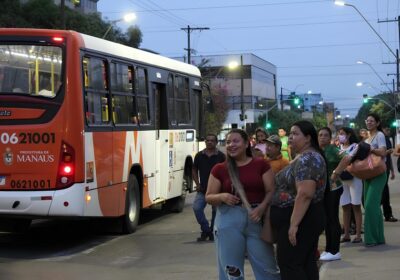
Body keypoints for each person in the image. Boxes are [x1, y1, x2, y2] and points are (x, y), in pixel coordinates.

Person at [206, 128, 280, 280]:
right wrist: (222, 196)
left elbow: (271, 190)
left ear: (246, 144)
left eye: (235, 141)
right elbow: (209, 197)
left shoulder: (261, 164)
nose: (231, 145)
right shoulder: (219, 169)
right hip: (228, 220)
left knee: (269, 270)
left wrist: (261, 207)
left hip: (256, 219)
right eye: (227, 142)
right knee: (232, 272)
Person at [270, 120, 326, 280]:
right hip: (302, 218)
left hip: (302, 219)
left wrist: (293, 225)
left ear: (308, 138)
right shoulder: (304, 157)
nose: (290, 137)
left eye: (295, 134)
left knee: (290, 264)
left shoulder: (308, 159)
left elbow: (305, 194)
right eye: (290, 134)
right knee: (305, 263)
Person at [333, 114, 387, 247]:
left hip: (378, 173)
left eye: (372, 121)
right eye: (367, 120)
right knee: (373, 208)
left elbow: (383, 152)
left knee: (369, 206)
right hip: (367, 175)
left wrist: (370, 148)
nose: (369, 122)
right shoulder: (367, 138)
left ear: (377, 122)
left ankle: (371, 238)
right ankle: (379, 237)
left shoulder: (379, 135)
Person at [192, 134, 226, 242]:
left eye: (212, 140)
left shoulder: (221, 156)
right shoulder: (199, 155)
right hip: (203, 189)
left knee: (216, 212)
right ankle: (205, 230)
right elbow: (194, 169)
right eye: (208, 140)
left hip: (217, 191)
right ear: (205, 142)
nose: (210, 142)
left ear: (216, 142)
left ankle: (212, 232)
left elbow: (226, 171)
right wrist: (197, 183)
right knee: (197, 208)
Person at [318, 127, 343, 262]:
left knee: (332, 218)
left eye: (325, 135)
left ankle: (335, 250)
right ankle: (328, 249)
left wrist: (336, 172)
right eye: (320, 135)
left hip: (334, 188)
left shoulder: (333, 149)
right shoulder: (318, 150)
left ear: (330, 137)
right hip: (324, 189)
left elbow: (347, 157)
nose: (323, 137)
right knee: (327, 219)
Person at [336, 127, 363, 244]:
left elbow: (348, 159)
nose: (340, 136)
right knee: (345, 207)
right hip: (343, 180)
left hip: (355, 179)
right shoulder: (339, 147)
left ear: (349, 135)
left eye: (342, 134)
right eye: (339, 134)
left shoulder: (355, 146)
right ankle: (346, 234)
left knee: (356, 206)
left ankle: (358, 235)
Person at [381, 127, 397, 222]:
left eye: (388, 130)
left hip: (384, 169)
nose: (387, 131)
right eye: (386, 129)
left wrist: (392, 171)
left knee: (384, 191)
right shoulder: (371, 137)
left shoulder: (386, 139)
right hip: (373, 169)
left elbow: (388, 157)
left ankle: (388, 214)